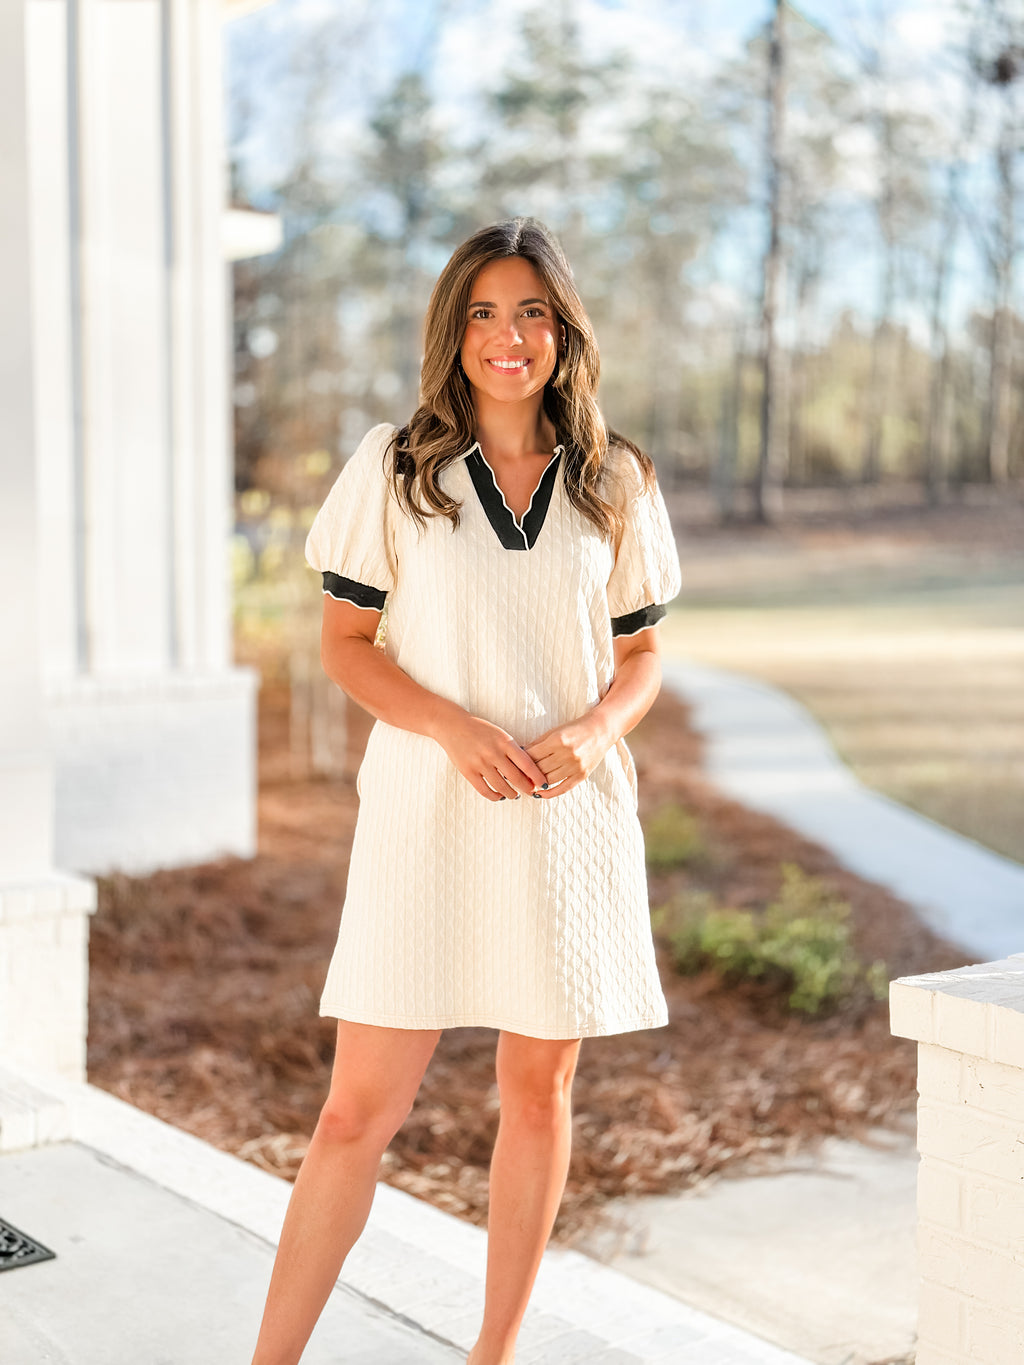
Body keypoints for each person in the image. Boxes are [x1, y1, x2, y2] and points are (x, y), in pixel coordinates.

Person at [250, 216, 681, 1365]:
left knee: (535, 1095)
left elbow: (641, 657)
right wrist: (450, 727)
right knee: (354, 1117)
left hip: (562, 820)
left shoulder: (616, 479)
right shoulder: (394, 467)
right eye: (485, 311)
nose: (509, 335)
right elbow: (347, 644)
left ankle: (493, 1356)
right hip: (424, 818)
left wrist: (593, 731)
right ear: (454, 330)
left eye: (532, 310)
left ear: (563, 330)